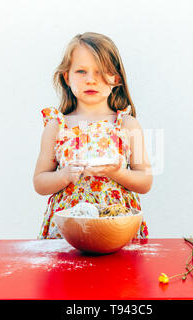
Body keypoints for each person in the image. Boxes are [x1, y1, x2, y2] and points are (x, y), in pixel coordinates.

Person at [33, 32, 153, 239]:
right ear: (66, 77)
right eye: (81, 71)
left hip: (117, 228)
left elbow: (145, 181)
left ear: (116, 78)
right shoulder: (56, 126)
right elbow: (40, 181)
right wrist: (63, 176)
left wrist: (118, 173)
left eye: (100, 72)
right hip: (68, 233)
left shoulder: (128, 125)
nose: (91, 80)